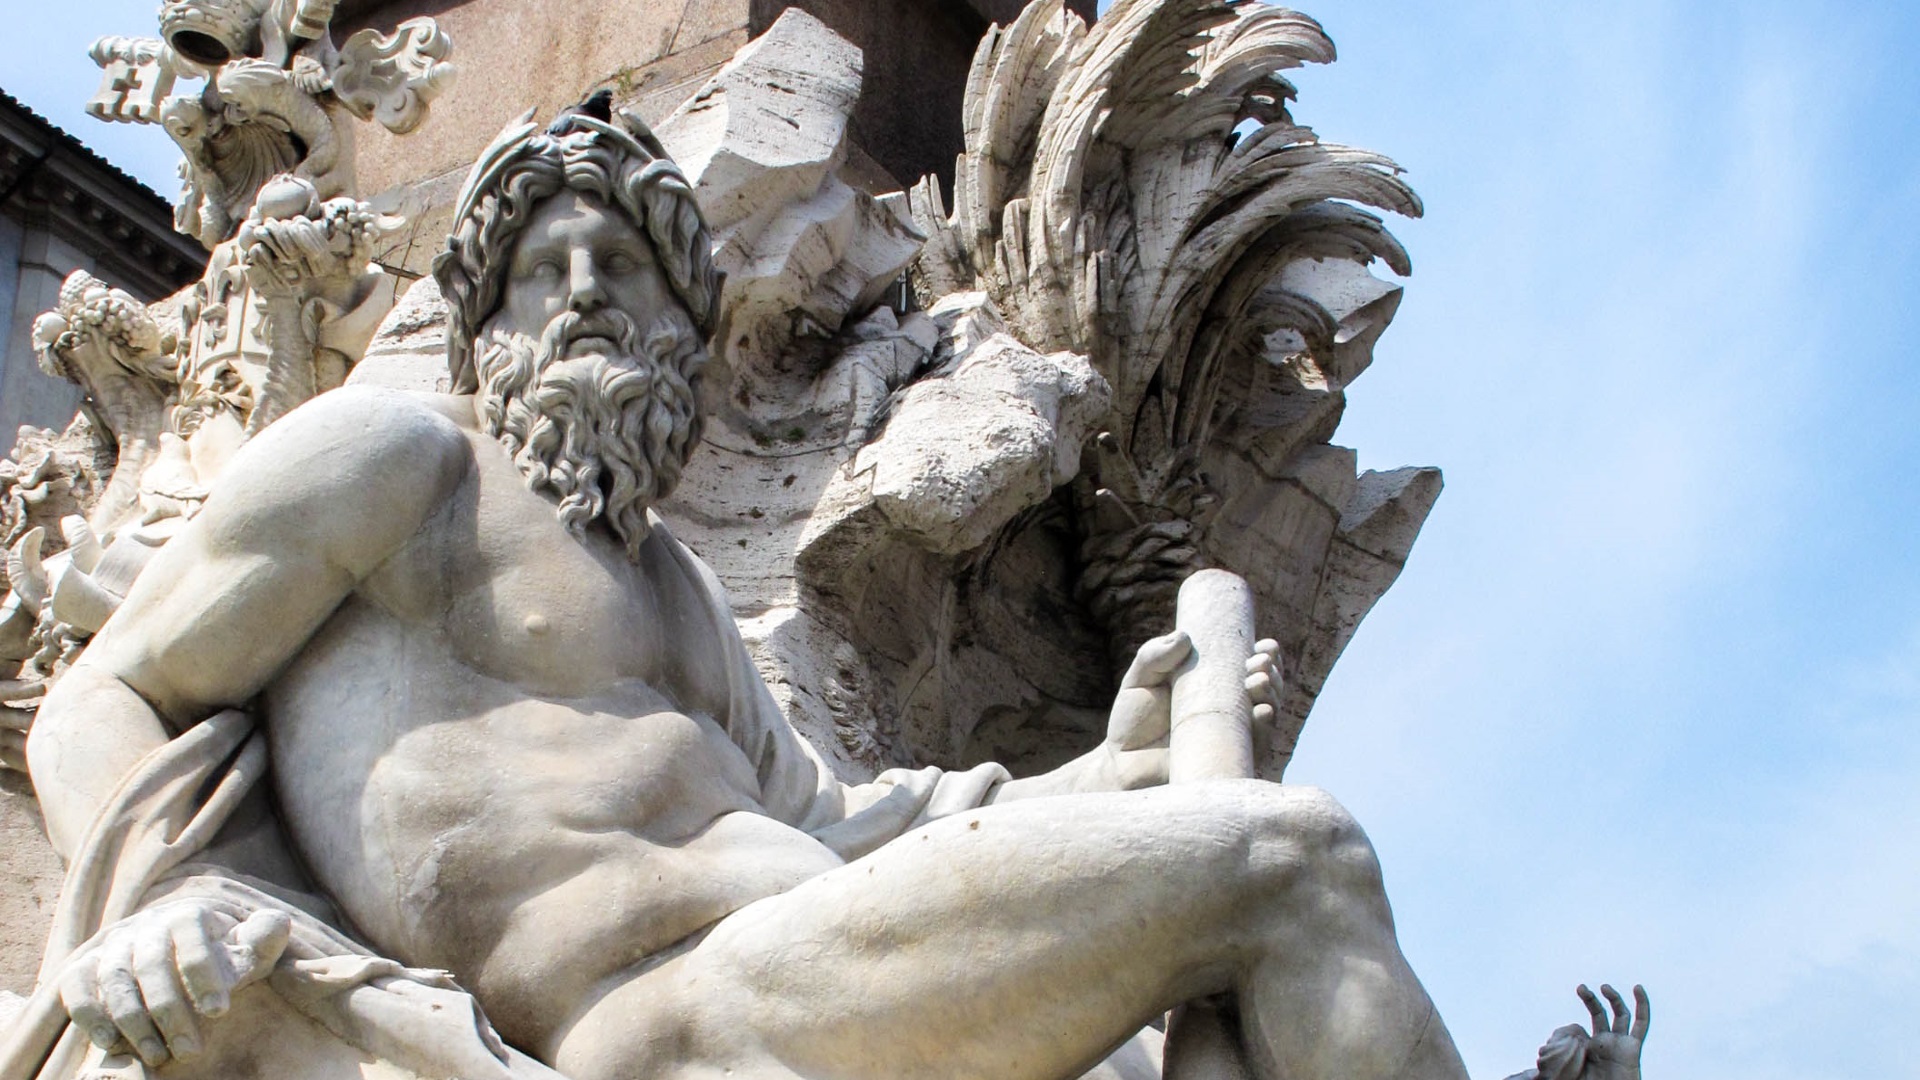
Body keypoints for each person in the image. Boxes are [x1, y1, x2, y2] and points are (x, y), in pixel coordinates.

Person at [24, 99, 1639, 1080]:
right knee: (1293, 859)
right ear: (483, 318)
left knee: (1214, 979)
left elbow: (841, 822)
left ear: (688, 331)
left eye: (625, 269)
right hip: (677, 1015)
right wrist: (151, 907)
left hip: (814, 966)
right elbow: (107, 691)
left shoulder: (671, 588)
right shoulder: (393, 463)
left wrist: (1112, 768)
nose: (584, 296)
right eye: (540, 269)